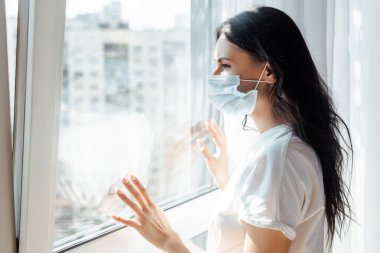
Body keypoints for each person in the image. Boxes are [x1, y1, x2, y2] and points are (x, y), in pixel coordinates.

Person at [111, 6, 353, 253]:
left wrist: (168, 241)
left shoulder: (277, 158)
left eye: (224, 65)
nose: (215, 75)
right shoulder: (283, 146)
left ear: (268, 72)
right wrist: (231, 187)